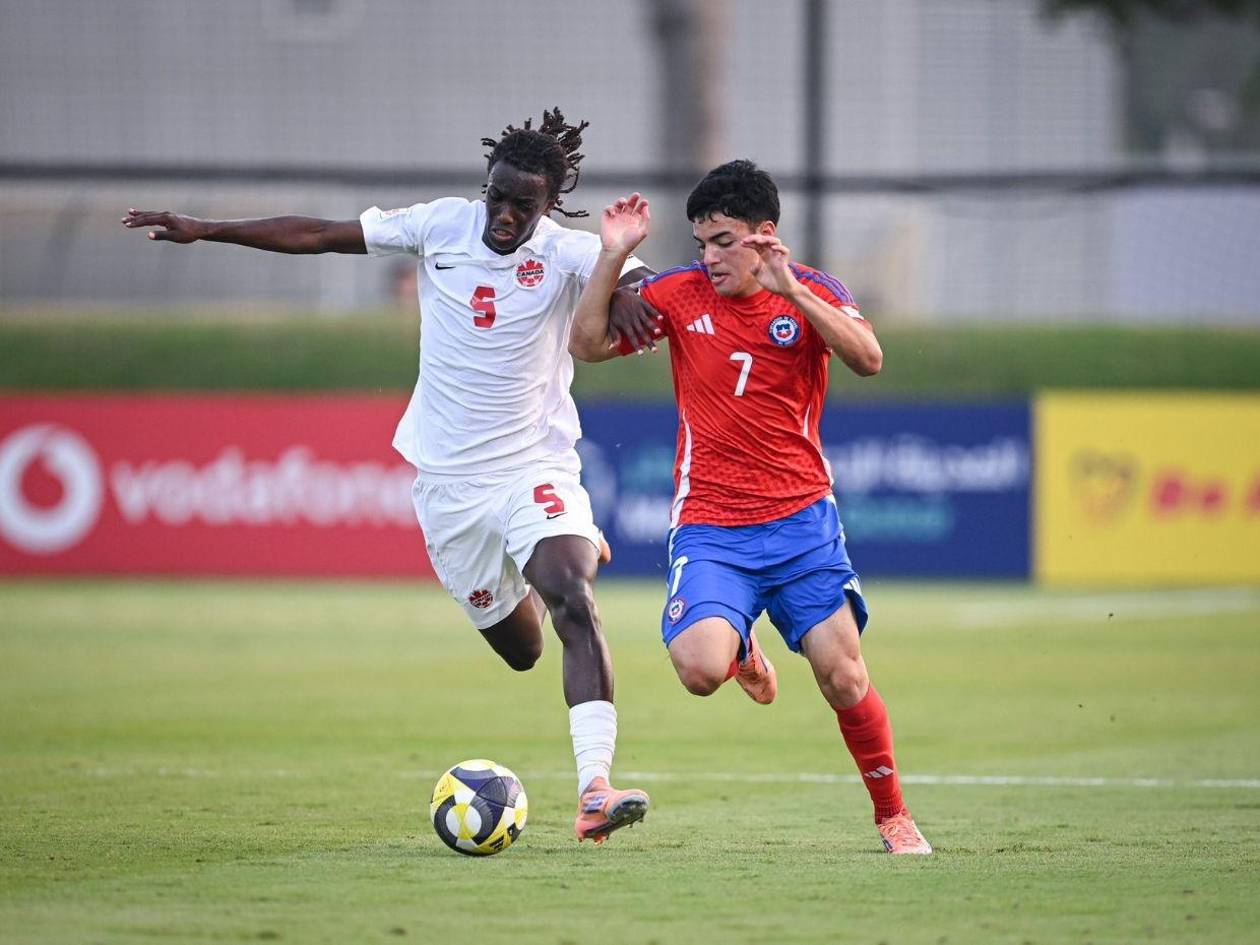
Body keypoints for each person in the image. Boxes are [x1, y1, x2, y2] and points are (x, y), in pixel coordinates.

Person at [123, 108, 655, 844]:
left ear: (550, 201)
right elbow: (319, 235)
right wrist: (208, 228)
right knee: (524, 650)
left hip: (534, 463)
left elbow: (640, 279)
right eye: (496, 196)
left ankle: (594, 786)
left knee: (574, 600)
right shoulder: (441, 224)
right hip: (449, 487)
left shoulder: (568, 251)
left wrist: (627, 286)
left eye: (521, 205)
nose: (503, 215)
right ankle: (566, 546)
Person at [569, 161, 932, 854]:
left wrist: (792, 290)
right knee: (701, 670)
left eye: (723, 241)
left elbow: (869, 357)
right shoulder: (678, 294)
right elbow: (585, 344)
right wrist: (615, 253)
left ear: (765, 236)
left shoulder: (814, 292)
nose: (709, 257)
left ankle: (893, 815)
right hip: (712, 527)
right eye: (702, 241)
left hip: (802, 525)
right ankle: (736, 646)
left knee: (844, 675)